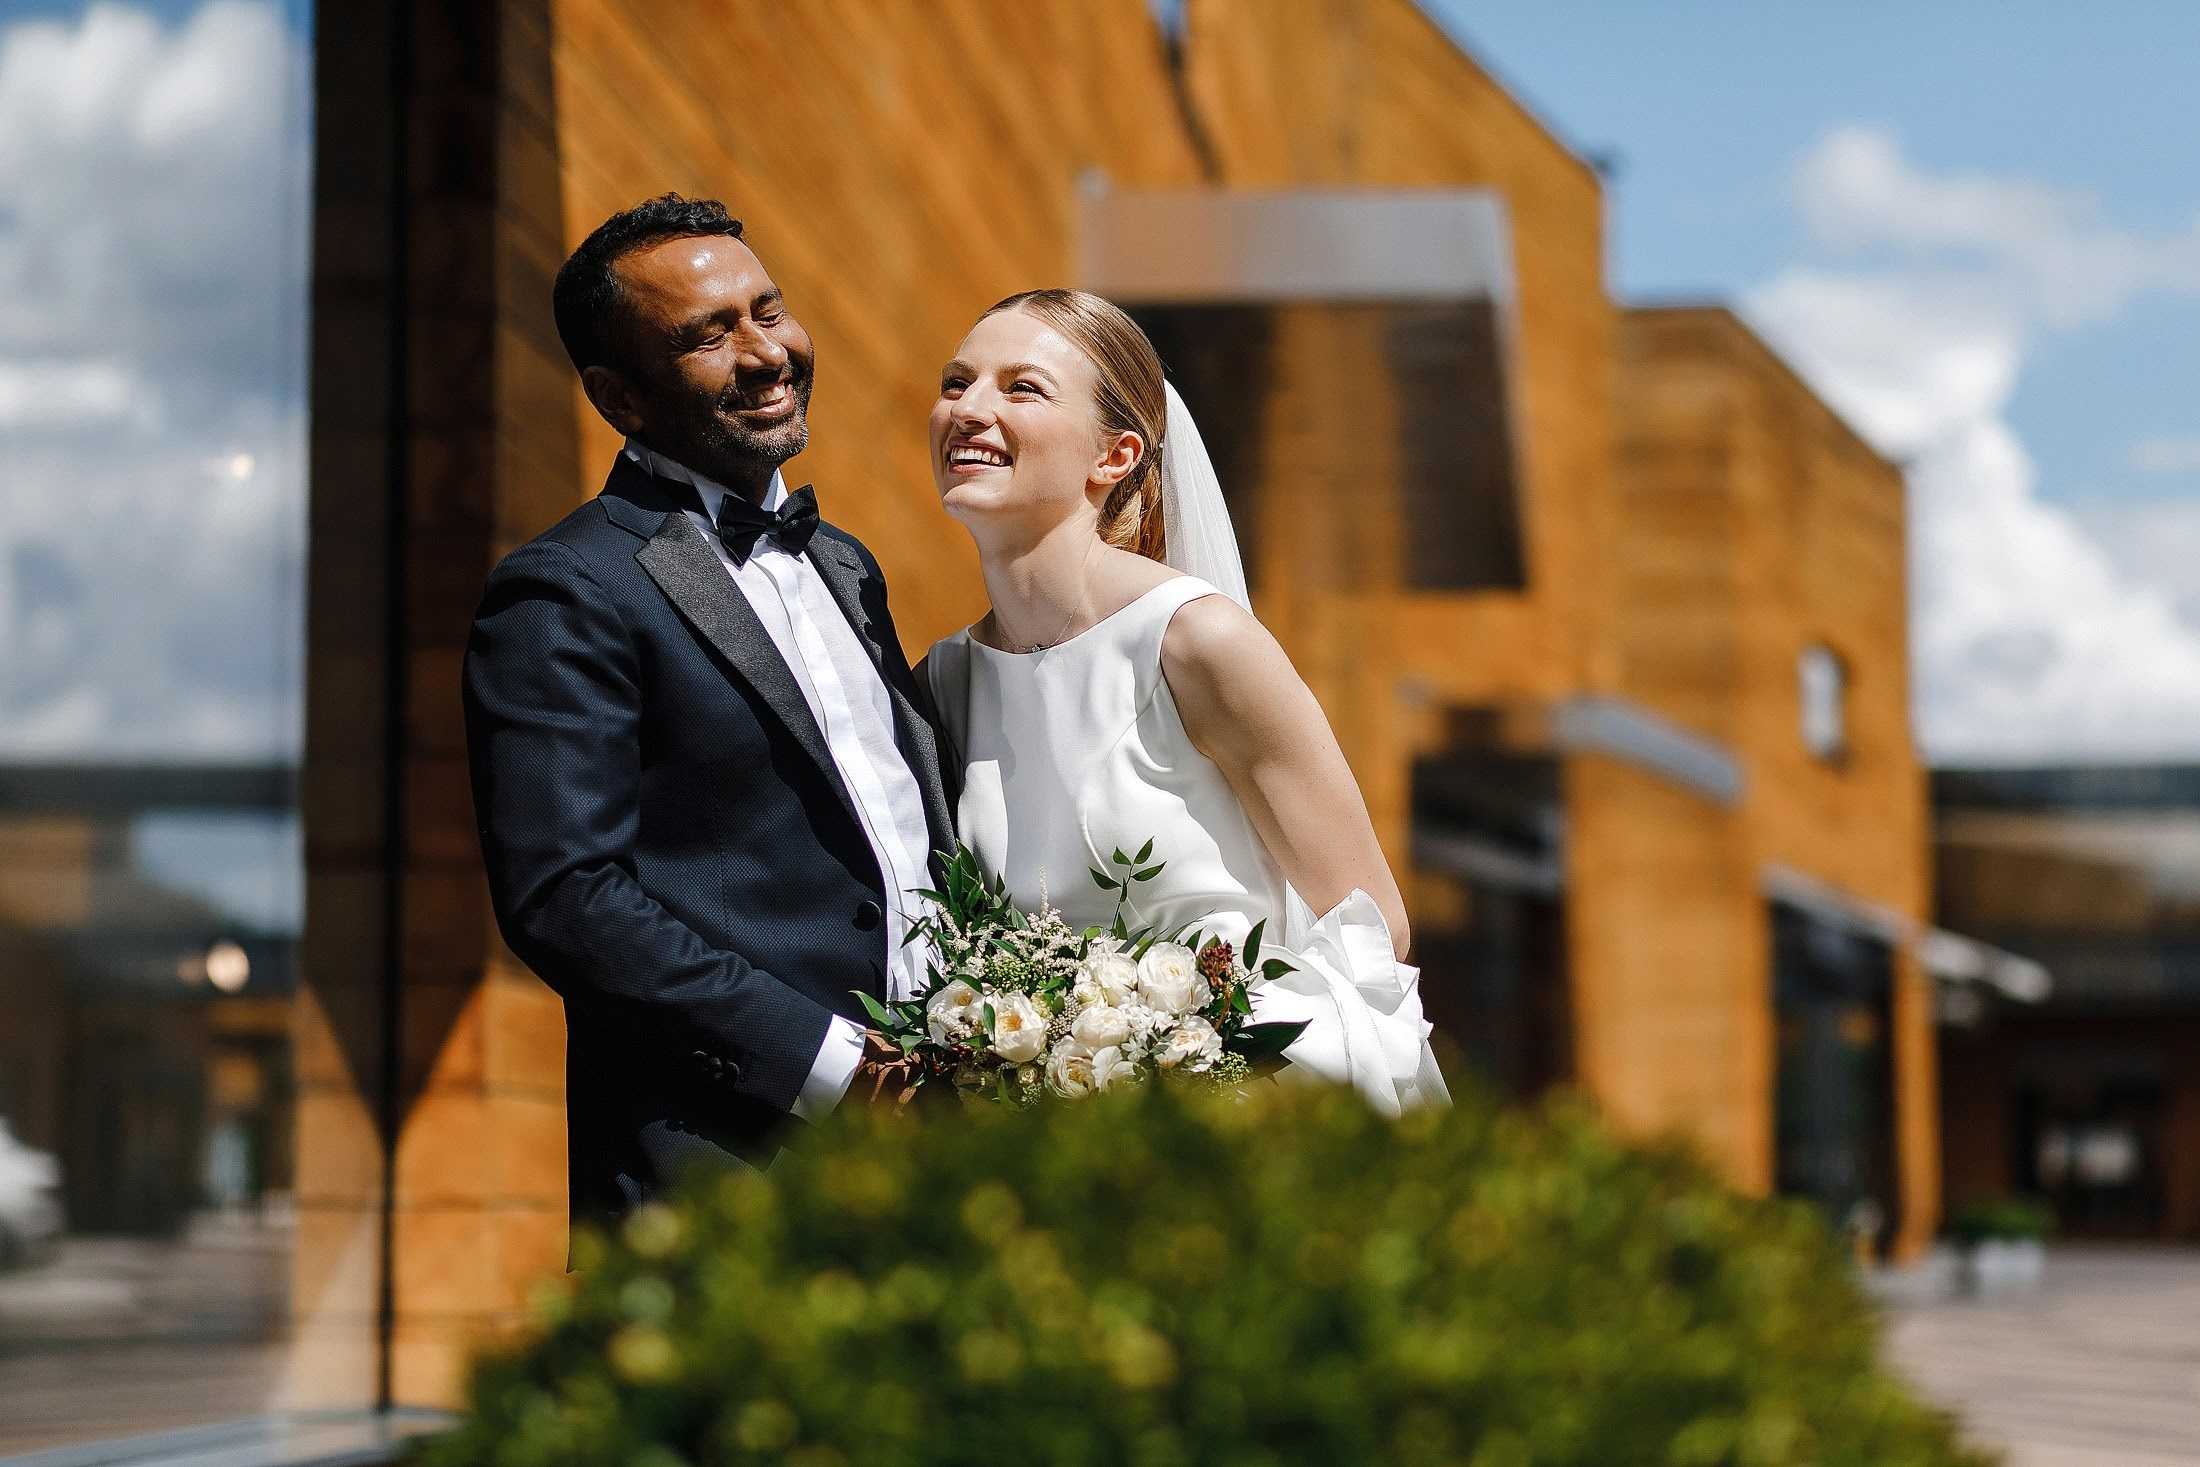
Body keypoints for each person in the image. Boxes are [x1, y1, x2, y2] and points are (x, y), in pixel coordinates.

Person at [463, 195, 951, 1223]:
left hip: (934, 1159)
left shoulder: (849, 566)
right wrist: (836, 1069)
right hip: (724, 1173)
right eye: (707, 335)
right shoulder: (564, 588)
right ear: (618, 397)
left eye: (768, 311)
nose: (765, 353)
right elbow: (567, 895)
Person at [922, 290, 1448, 1115]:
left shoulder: (1198, 642)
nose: (969, 408)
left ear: (1115, 455)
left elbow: (1373, 922)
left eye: (1021, 387)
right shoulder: (945, 678)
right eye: (957, 382)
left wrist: (1187, 1056)